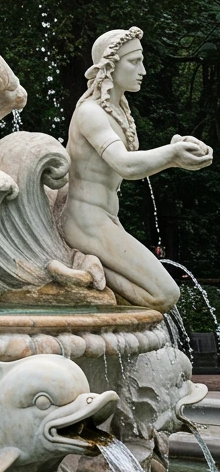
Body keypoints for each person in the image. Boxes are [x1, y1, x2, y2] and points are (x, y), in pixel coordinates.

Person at [63, 27, 212, 311]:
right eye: (134, 62)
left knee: (160, 293)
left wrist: (175, 146)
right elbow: (125, 165)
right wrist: (171, 155)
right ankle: (90, 275)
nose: (142, 70)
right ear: (110, 66)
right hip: (85, 221)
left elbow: (134, 160)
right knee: (165, 294)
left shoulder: (118, 112)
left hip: (106, 218)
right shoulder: (90, 113)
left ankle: (97, 279)